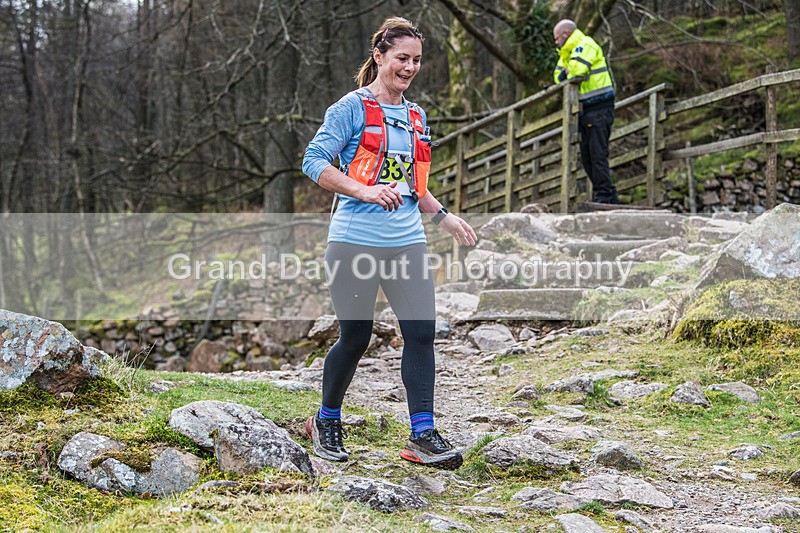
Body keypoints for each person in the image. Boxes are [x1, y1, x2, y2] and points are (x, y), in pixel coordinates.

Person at [301, 16, 477, 469]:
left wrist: (443, 217)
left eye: (416, 60)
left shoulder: (416, 116)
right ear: (379, 56)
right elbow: (313, 161)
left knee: (421, 333)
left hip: (407, 242)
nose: (410, 67)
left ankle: (422, 434)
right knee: (356, 336)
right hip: (353, 242)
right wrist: (362, 191)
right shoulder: (350, 109)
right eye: (402, 58)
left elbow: (412, 184)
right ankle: (326, 418)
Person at [553, 19, 620, 204]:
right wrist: (566, 72)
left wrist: (568, 71)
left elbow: (577, 71)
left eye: (557, 38)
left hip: (599, 106)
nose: (556, 43)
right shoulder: (567, 53)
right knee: (587, 155)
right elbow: (558, 77)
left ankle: (606, 195)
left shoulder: (585, 44)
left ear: (565, 34)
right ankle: (606, 195)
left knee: (597, 153)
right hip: (585, 109)